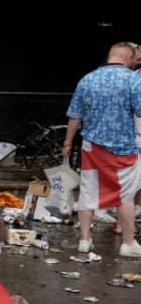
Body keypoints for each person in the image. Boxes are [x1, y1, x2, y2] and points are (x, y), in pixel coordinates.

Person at [62, 43, 141, 258]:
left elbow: (75, 116)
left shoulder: (87, 79)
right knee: (125, 196)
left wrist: (67, 143)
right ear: (128, 57)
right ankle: (128, 243)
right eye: (135, 59)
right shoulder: (133, 80)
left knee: (88, 193)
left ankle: (85, 240)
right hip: (122, 148)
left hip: (91, 147)